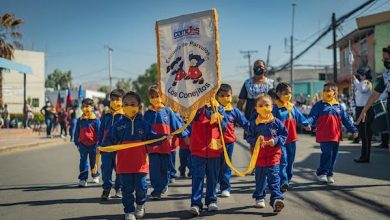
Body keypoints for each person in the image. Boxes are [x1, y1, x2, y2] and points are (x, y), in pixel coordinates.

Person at [100, 91, 166, 220]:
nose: (129, 106)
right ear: (122, 106)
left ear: (139, 106)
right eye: (125, 104)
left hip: (140, 164)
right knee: (126, 190)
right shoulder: (118, 125)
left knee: (142, 188)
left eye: (132, 104)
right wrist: (102, 147)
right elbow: (109, 139)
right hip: (124, 165)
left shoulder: (144, 124)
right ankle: (129, 211)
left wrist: (162, 138)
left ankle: (140, 205)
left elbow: (152, 137)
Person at [143, 85, 189, 200]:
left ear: (162, 97)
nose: (155, 98)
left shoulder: (167, 111)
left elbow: (176, 126)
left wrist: (185, 136)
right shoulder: (147, 114)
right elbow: (142, 130)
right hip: (152, 148)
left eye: (157, 96)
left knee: (165, 169)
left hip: (165, 147)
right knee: (154, 170)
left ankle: (163, 184)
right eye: (152, 96)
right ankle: (157, 190)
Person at [307, 82, 358, 184]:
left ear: (335, 92)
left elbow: (346, 119)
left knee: (334, 156)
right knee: (327, 154)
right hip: (324, 135)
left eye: (329, 90)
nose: (326, 92)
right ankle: (322, 173)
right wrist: (307, 123)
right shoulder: (319, 105)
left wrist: (353, 130)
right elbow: (312, 116)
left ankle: (329, 173)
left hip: (336, 135)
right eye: (325, 90)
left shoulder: (338, 106)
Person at [245, 93, 288, 212]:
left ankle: (276, 200)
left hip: (273, 156)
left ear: (272, 106)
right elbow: (248, 137)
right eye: (260, 105)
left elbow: (284, 134)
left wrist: (275, 141)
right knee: (260, 179)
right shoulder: (253, 123)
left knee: (274, 179)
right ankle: (259, 197)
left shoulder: (277, 122)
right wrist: (257, 141)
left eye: (267, 105)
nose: (264, 107)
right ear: (256, 108)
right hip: (258, 157)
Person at [189, 99, 227, 216]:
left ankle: (211, 200)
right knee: (197, 177)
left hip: (213, 149)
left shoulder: (218, 107)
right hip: (198, 149)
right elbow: (190, 119)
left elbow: (224, 127)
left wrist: (220, 119)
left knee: (213, 177)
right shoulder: (194, 106)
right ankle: (196, 203)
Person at [272, 82, 310, 192]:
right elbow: (271, 123)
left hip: (292, 139)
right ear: (278, 94)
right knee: (283, 160)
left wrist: (306, 124)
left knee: (290, 161)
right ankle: (283, 181)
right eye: (285, 93)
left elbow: (300, 117)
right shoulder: (275, 108)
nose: (288, 95)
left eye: (289, 93)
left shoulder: (292, 107)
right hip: (281, 140)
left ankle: (287, 180)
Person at [216, 83, 249, 198]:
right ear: (217, 96)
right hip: (214, 142)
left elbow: (245, 123)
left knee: (226, 165)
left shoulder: (234, 111)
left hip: (229, 142)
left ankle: (225, 187)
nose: (226, 98)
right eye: (222, 95)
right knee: (214, 165)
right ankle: (215, 184)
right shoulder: (213, 109)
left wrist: (255, 132)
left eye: (228, 95)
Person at [357, 46, 390, 150]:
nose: (384, 61)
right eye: (383, 59)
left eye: (387, 59)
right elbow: (374, 95)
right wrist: (363, 111)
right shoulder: (386, 75)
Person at [99, 89, 125, 201]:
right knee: (105, 169)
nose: (114, 101)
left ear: (123, 101)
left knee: (120, 169)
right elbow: (101, 130)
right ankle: (106, 189)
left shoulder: (125, 115)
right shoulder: (106, 115)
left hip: (120, 148)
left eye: (117, 99)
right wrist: (99, 144)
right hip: (106, 147)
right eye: (112, 99)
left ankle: (119, 188)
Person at [74, 98, 101, 187]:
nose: (85, 108)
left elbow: (99, 133)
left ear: (92, 108)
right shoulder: (80, 120)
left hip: (94, 145)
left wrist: (99, 145)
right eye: (83, 106)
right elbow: (76, 132)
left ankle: (95, 175)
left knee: (94, 162)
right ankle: (83, 179)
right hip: (83, 145)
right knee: (83, 162)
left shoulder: (96, 120)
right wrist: (77, 143)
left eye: (87, 106)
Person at [352, 67, 373, 163]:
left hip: (365, 110)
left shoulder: (367, 83)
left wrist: (356, 82)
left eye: (360, 75)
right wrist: (356, 82)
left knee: (365, 134)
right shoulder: (361, 83)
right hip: (360, 109)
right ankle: (364, 155)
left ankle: (365, 157)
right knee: (362, 134)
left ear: (364, 75)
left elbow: (363, 90)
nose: (359, 76)